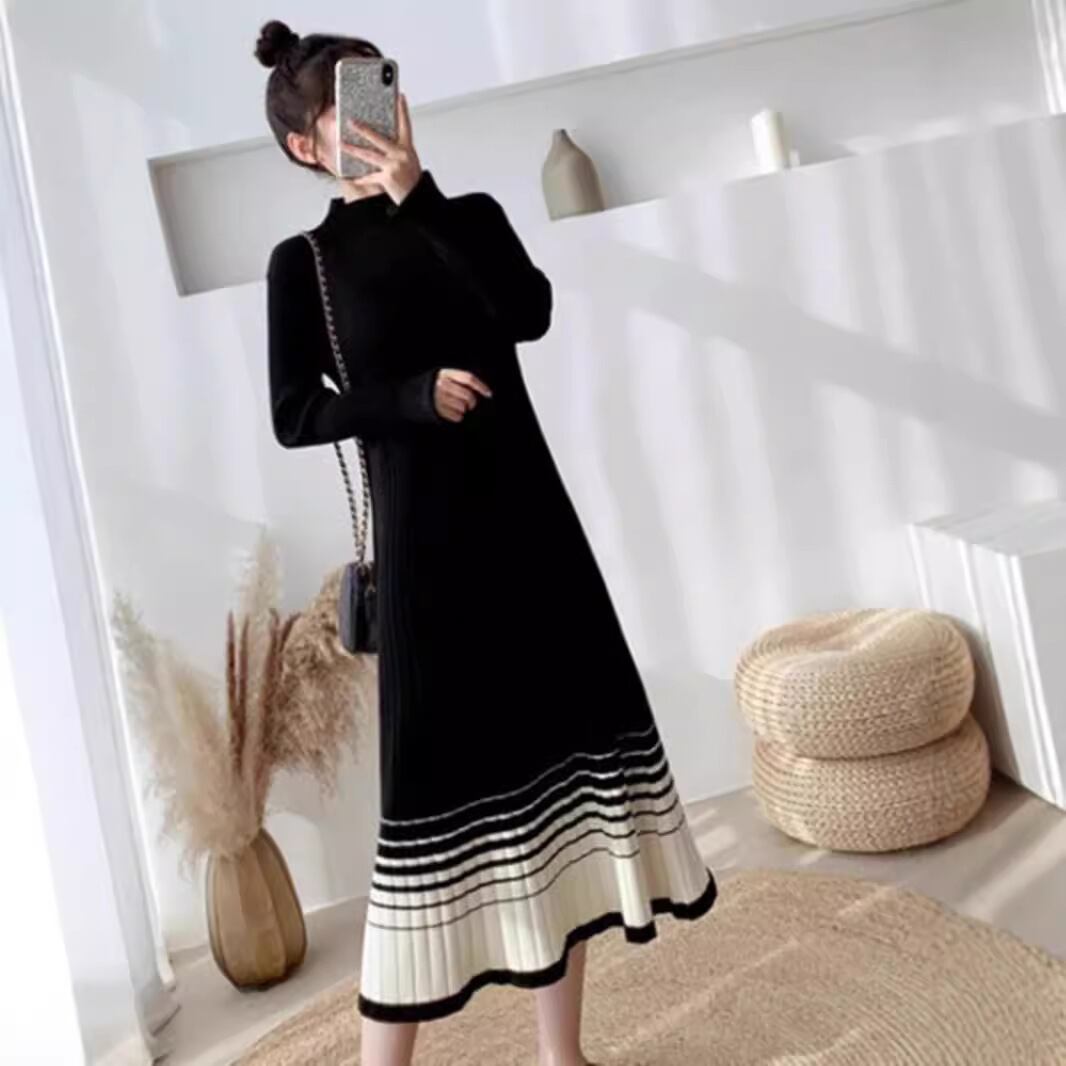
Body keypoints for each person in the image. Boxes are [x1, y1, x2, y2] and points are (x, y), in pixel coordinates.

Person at [256, 20, 717, 1066]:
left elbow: (528, 311)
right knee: (421, 812)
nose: (376, 116)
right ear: (303, 144)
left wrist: (416, 195)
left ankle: (563, 1055)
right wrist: (409, 399)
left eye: (382, 90)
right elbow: (293, 413)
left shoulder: (464, 216)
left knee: (560, 786)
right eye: (346, 107)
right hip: (427, 556)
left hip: (532, 532)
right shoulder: (305, 265)